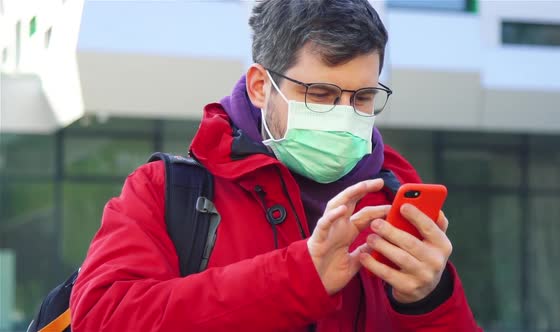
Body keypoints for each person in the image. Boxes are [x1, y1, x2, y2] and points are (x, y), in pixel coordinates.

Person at [71, 0, 482, 331]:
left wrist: (431, 301)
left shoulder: (395, 198)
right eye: (320, 94)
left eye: (362, 98)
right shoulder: (166, 190)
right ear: (260, 86)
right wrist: (299, 277)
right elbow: (101, 317)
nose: (344, 116)